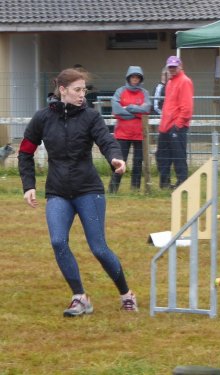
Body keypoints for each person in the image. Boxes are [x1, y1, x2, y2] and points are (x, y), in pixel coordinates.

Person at [17, 68, 138, 317]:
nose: (82, 95)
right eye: (77, 90)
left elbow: (106, 140)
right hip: (57, 192)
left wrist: (116, 158)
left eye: (84, 90)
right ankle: (79, 297)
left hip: (88, 191)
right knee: (58, 241)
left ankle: (127, 294)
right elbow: (25, 151)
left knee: (99, 248)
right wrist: (29, 185)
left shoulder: (91, 117)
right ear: (62, 90)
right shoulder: (42, 118)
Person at [109, 66, 151, 193]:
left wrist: (129, 108)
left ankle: (135, 189)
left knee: (138, 162)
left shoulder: (145, 93)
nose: (135, 79)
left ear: (140, 79)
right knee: (120, 162)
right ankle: (113, 189)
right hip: (122, 134)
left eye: (137, 77)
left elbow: (147, 109)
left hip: (139, 134)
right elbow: (116, 110)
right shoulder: (120, 91)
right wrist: (136, 112)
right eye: (133, 76)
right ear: (128, 77)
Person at [156, 56, 194, 189]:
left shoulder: (185, 81)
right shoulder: (170, 83)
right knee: (162, 156)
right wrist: (163, 126)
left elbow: (187, 108)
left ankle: (182, 183)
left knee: (179, 157)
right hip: (165, 126)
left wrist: (177, 125)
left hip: (176, 127)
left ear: (180, 66)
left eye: (174, 67)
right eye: (170, 67)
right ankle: (165, 183)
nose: (172, 69)